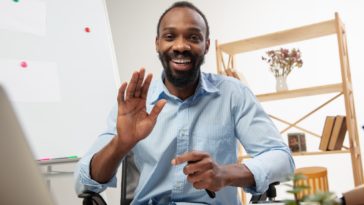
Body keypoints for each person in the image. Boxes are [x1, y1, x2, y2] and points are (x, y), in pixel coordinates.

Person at [74, 1, 295, 204]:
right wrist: (121, 144)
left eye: (193, 37)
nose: (181, 46)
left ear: (206, 45)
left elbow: (282, 159)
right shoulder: (134, 102)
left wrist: (225, 174)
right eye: (170, 37)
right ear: (157, 43)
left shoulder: (232, 93)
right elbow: (84, 182)